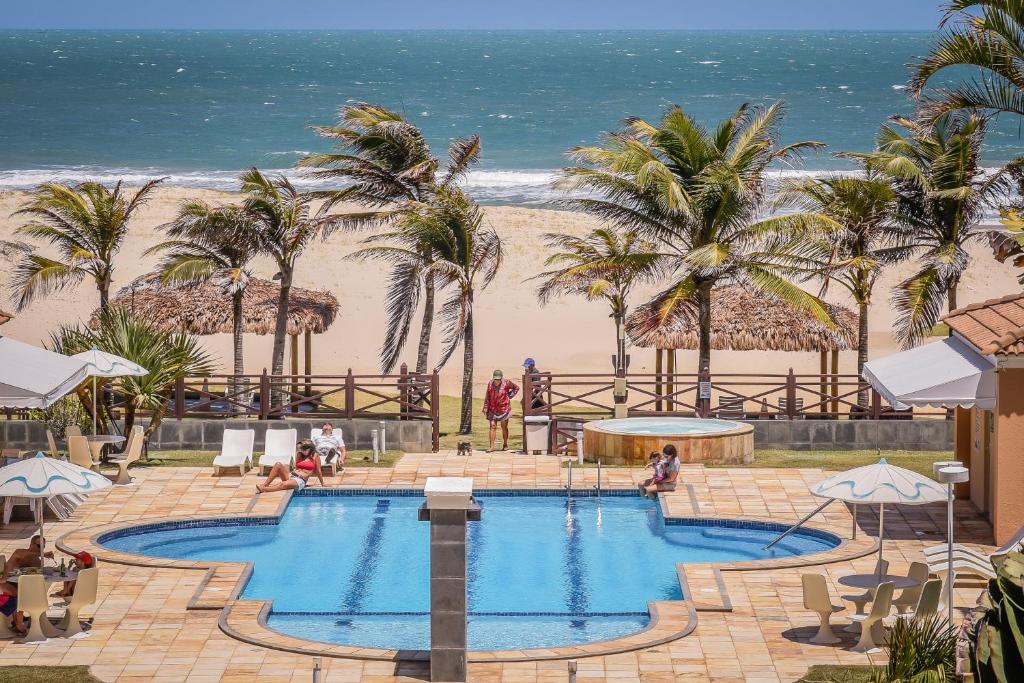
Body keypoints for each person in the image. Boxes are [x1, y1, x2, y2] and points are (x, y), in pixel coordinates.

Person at [0, 535, 52, 635]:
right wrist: (43, 553)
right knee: (19, 596)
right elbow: (27, 554)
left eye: (43, 547)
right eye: (38, 546)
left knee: (27, 594)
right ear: (31, 544)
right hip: (5, 582)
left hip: (19, 585)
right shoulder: (19, 552)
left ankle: (27, 621)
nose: (40, 549)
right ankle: (19, 624)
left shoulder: (37, 561)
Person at [256, 441, 324, 493]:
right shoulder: (299, 454)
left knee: (282, 484)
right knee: (278, 464)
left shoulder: (315, 456)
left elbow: (318, 471)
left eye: (304, 449)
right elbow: (297, 467)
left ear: (310, 449)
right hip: (291, 476)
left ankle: (264, 489)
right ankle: (265, 485)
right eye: (301, 449)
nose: (302, 451)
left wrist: (323, 484)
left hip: (300, 480)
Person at [482, 370, 519, 452]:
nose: (497, 381)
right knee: (492, 426)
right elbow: (487, 395)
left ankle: (505, 444)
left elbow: (516, 388)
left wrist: (510, 396)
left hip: (504, 409)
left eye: (498, 379)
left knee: (504, 427)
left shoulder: (507, 383)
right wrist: (485, 407)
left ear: (501, 378)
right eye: (495, 379)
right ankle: (491, 447)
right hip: (492, 408)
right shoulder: (490, 384)